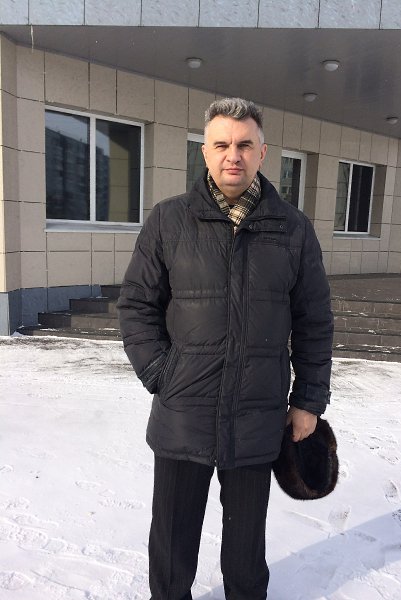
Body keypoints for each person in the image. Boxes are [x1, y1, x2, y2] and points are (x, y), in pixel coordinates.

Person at [117, 97, 333, 600]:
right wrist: (162, 373)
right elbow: (137, 305)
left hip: (258, 414)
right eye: (221, 145)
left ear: (262, 152)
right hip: (183, 411)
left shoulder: (293, 229)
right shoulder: (169, 220)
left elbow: (315, 321)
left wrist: (308, 401)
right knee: (172, 539)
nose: (232, 155)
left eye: (244, 145)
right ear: (205, 152)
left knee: (245, 546)